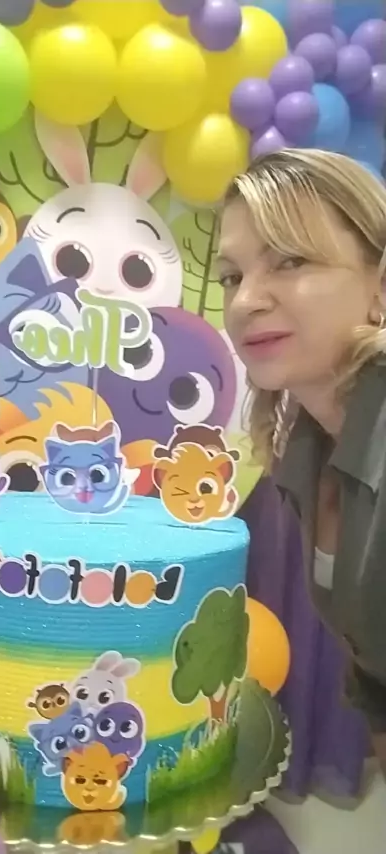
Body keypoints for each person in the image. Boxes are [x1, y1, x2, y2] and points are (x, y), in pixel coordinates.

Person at [219, 149, 386, 777]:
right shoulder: (305, 453)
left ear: (380, 285)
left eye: (290, 260)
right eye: (231, 276)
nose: (245, 302)